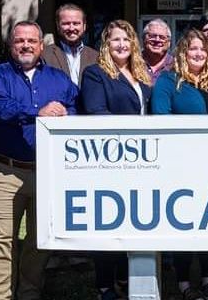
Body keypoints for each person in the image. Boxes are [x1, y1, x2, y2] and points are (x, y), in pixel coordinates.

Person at [0, 21, 78, 300]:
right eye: (19, 41)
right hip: (6, 172)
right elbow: (0, 107)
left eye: (31, 41)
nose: (25, 46)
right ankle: (0, 295)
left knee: (39, 241)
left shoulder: (59, 80)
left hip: (47, 172)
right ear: (11, 45)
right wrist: (39, 112)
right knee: (1, 241)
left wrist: (66, 114)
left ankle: (29, 293)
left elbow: (75, 106)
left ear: (41, 46)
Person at [150, 29, 208, 300]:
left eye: (202, 49)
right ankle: (185, 282)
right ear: (183, 53)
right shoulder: (168, 81)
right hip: (181, 165)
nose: (198, 53)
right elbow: (160, 119)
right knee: (184, 222)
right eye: (192, 49)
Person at [79, 20, 153, 299]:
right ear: (105, 44)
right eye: (115, 40)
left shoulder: (141, 74)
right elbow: (96, 111)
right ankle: (105, 284)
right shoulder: (95, 73)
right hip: (111, 159)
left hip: (142, 160)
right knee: (109, 222)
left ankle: (125, 277)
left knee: (134, 221)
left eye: (126, 40)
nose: (121, 45)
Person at [41, 3, 99, 85]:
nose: (71, 28)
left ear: (84, 26)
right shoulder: (45, 55)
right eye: (66, 23)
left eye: (76, 23)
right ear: (58, 26)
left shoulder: (96, 58)